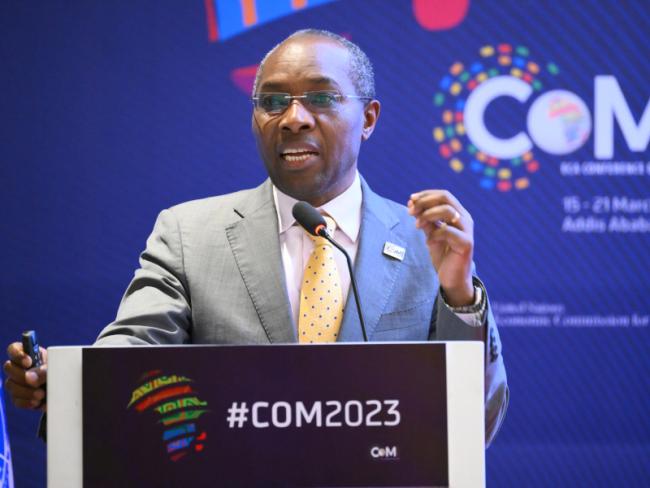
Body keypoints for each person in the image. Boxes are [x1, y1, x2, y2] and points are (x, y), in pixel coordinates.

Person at [4, 29, 508, 444]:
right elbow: (132, 352)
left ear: (368, 118)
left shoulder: (428, 243)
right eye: (272, 101)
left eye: (321, 98)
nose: (293, 119)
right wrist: (66, 380)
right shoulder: (188, 235)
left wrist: (460, 297)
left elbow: (474, 422)